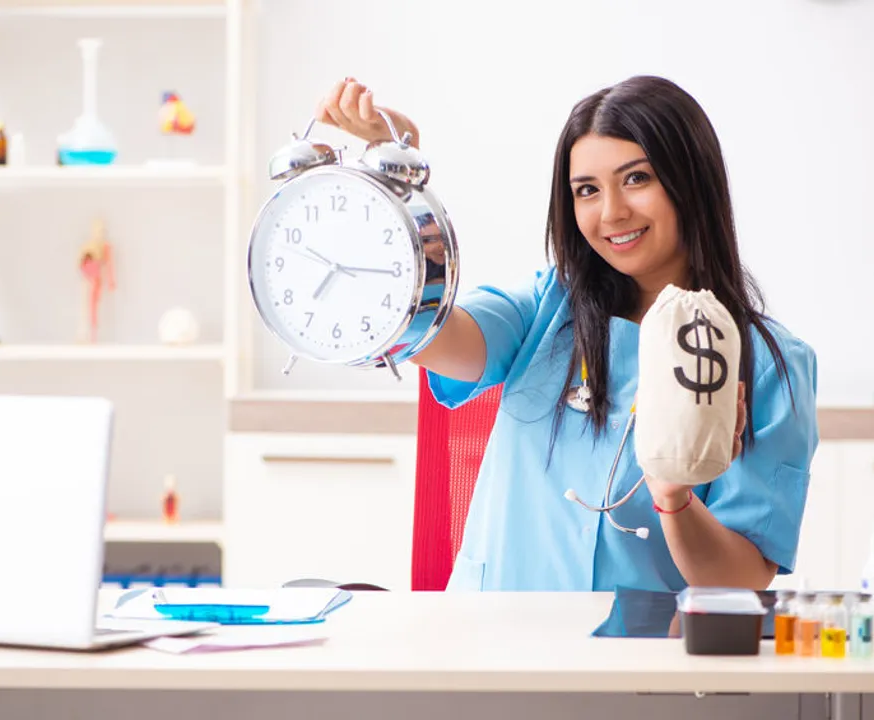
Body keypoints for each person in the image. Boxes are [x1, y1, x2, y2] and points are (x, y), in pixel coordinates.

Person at [315, 75, 819, 593]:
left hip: (633, 659)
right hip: (491, 650)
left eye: (637, 179)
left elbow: (739, 579)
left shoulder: (767, 365)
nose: (612, 212)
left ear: (691, 180)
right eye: (587, 190)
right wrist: (397, 194)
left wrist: (674, 495)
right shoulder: (543, 310)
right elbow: (427, 333)